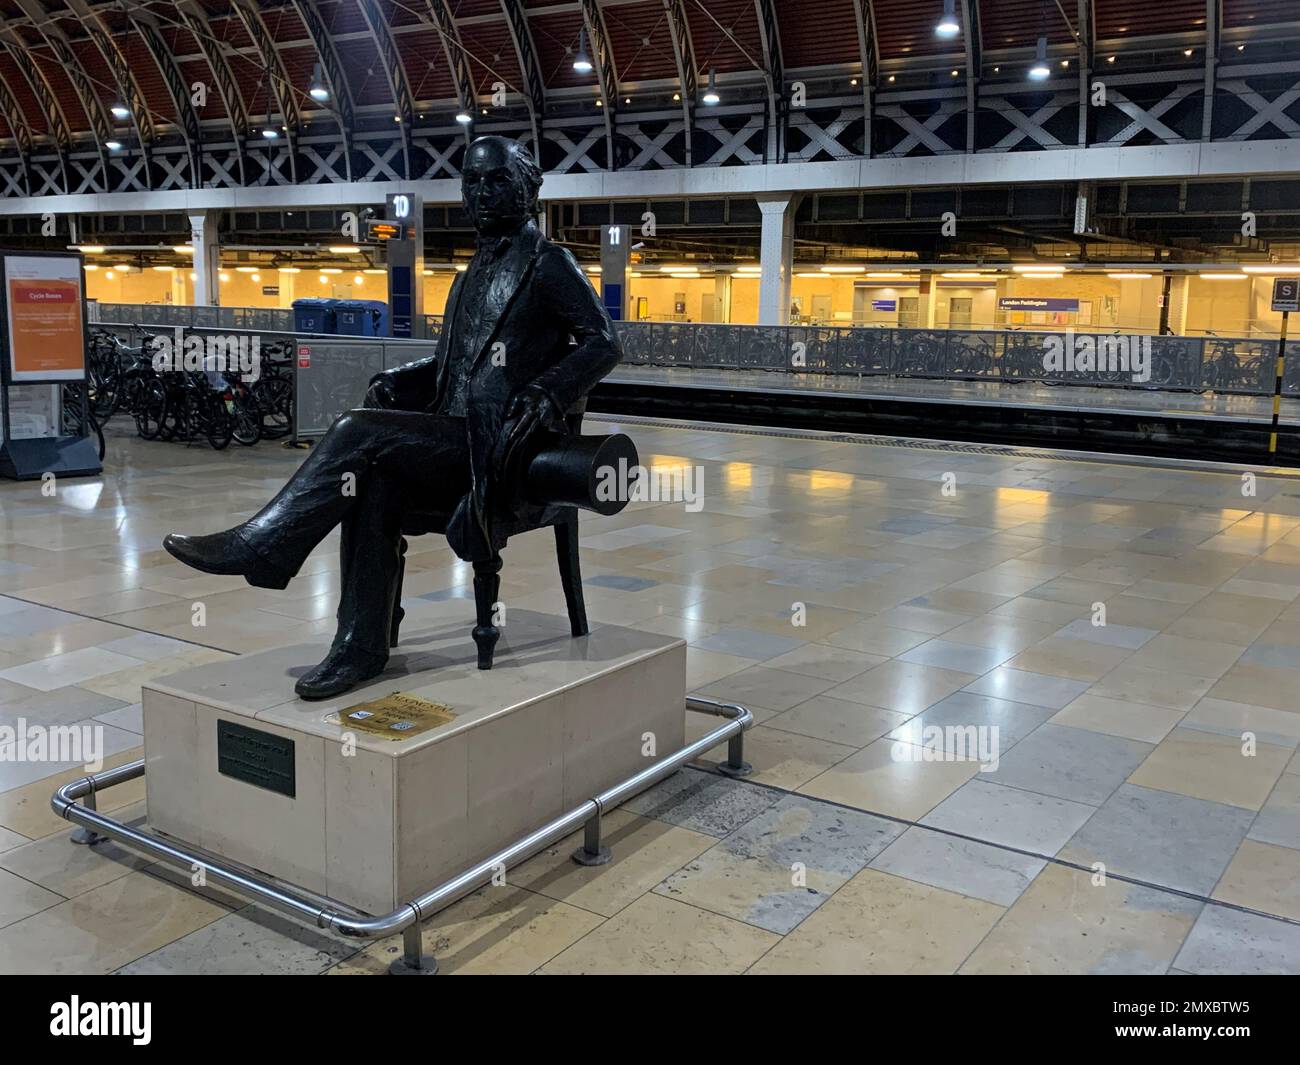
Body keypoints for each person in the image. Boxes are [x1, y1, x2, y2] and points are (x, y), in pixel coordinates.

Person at [163, 136, 622, 698]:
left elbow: (603, 343)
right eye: (471, 182)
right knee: (368, 484)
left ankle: (269, 544)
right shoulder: (471, 271)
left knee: (357, 430)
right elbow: (455, 360)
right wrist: (401, 377)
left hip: (503, 448)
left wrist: (549, 391)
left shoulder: (549, 263)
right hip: (452, 435)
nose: (481, 192)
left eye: (496, 180)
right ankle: (361, 646)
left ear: (527, 189)